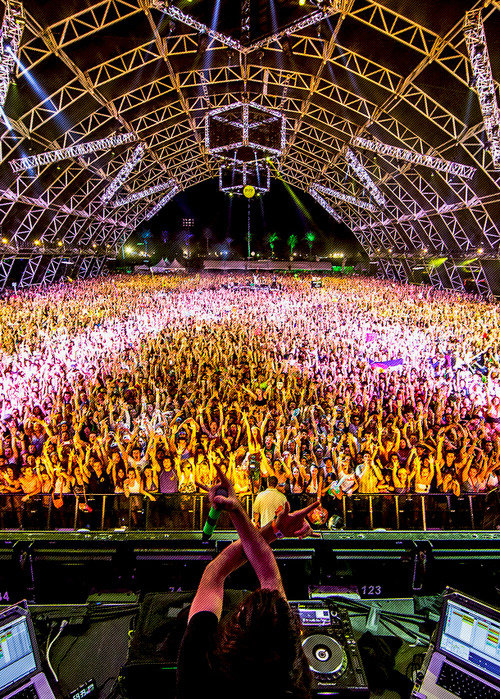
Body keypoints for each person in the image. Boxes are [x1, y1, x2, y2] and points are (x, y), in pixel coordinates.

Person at [177, 463, 319, 699]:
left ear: (232, 632)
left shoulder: (197, 675)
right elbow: (269, 576)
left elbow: (215, 572)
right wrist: (275, 530)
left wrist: (265, 526)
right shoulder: (293, 683)